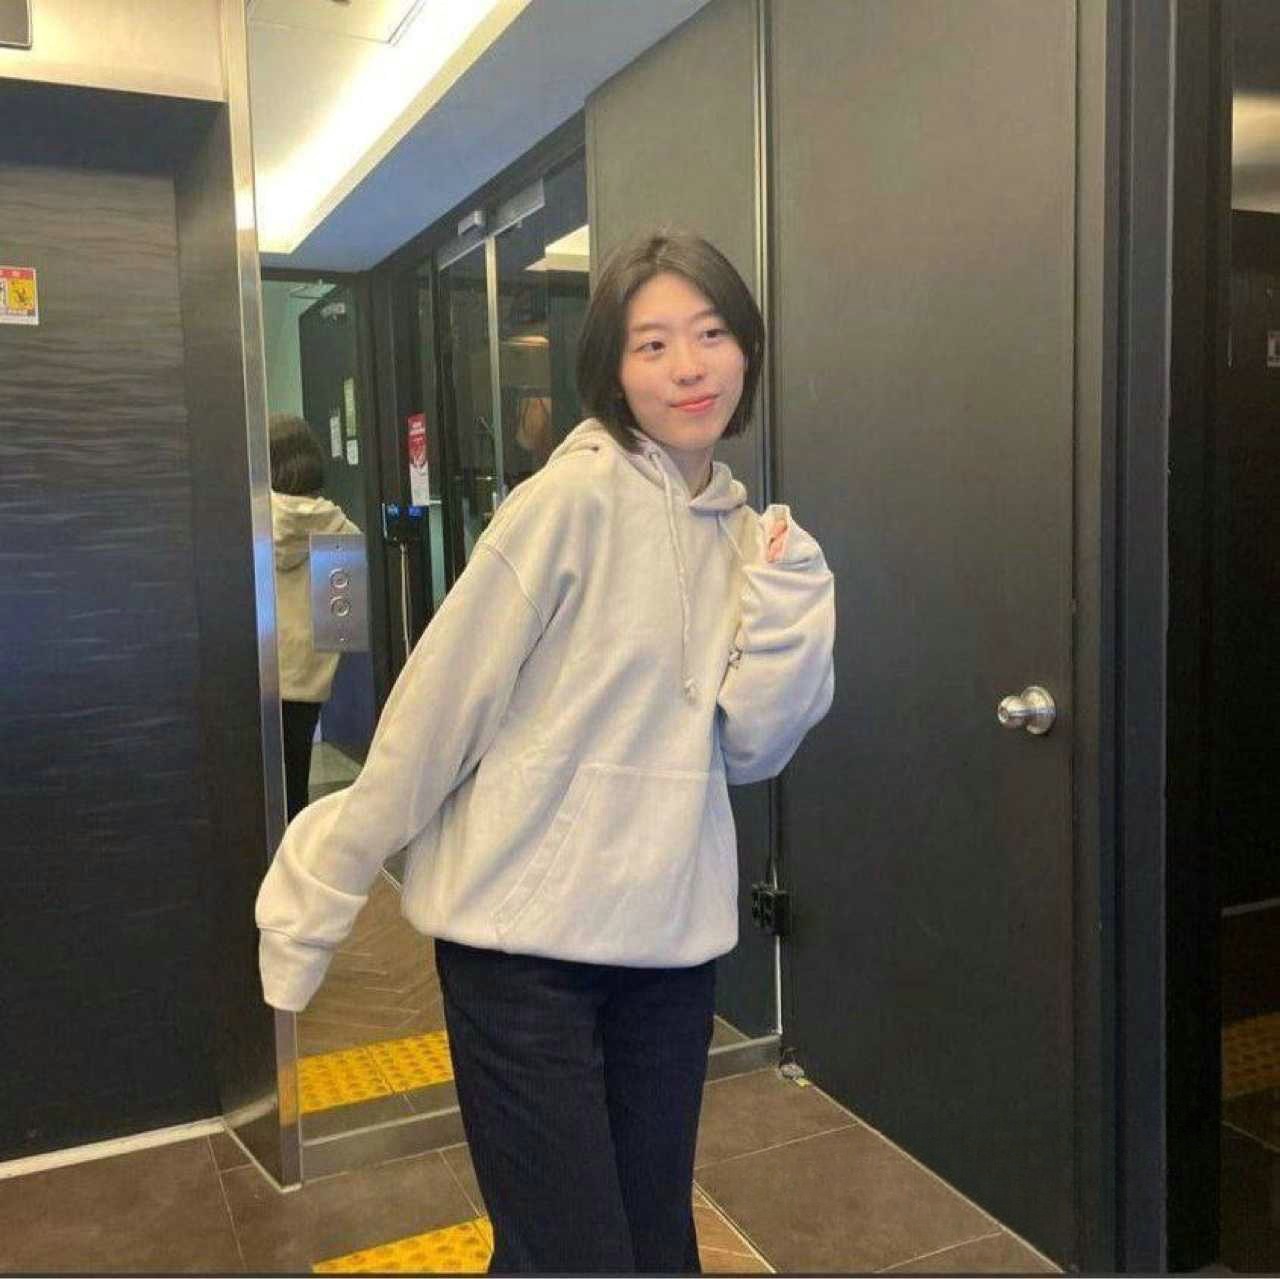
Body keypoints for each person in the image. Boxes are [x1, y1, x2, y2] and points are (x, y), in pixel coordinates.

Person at [255, 231, 835, 1274]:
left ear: (746, 351)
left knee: (655, 1243)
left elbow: (751, 749)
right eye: (652, 343)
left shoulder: (748, 538)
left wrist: (789, 612)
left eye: (711, 334)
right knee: (568, 1254)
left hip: (665, 949)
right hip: (522, 954)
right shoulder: (564, 504)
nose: (688, 365)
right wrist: (324, 889)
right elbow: (433, 717)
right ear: (613, 367)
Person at [267, 412, 361, 823]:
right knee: (295, 788)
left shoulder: (248, 525)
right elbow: (342, 629)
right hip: (307, 687)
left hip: (255, 676)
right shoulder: (344, 532)